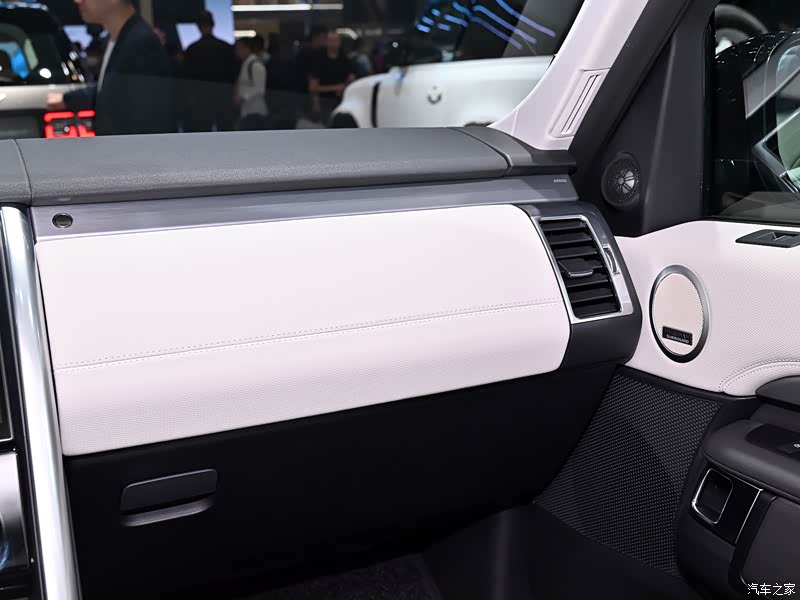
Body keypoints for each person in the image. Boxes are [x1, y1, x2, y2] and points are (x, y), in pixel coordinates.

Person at [48, 0, 175, 136]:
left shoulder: (141, 44)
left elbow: (145, 123)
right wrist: (67, 99)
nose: (78, 1)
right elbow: (112, 91)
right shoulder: (118, 39)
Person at [179, 10, 238, 132]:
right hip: (223, 98)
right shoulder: (226, 47)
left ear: (198, 26)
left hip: (200, 100)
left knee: (203, 134)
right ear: (213, 24)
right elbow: (233, 74)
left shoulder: (192, 49)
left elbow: (187, 78)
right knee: (226, 133)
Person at [308, 32, 356, 126]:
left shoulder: (345, 60)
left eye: (335, 40)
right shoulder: (318, 60)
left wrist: (345, 86)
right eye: (330, 40)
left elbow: (351, 79)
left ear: (339, 42)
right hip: (324, 103)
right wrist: (335, 88)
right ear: (326, 42)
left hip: (343, 102)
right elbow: (312, 87)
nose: (333, 43)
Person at [235, 37, 268, 130]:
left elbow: (260, 89)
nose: (236, 51)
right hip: (247, 111)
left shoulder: (255, 65)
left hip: (256, 112)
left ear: (246, 48)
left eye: (239, 48)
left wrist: (243, 97)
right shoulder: (246, 64)